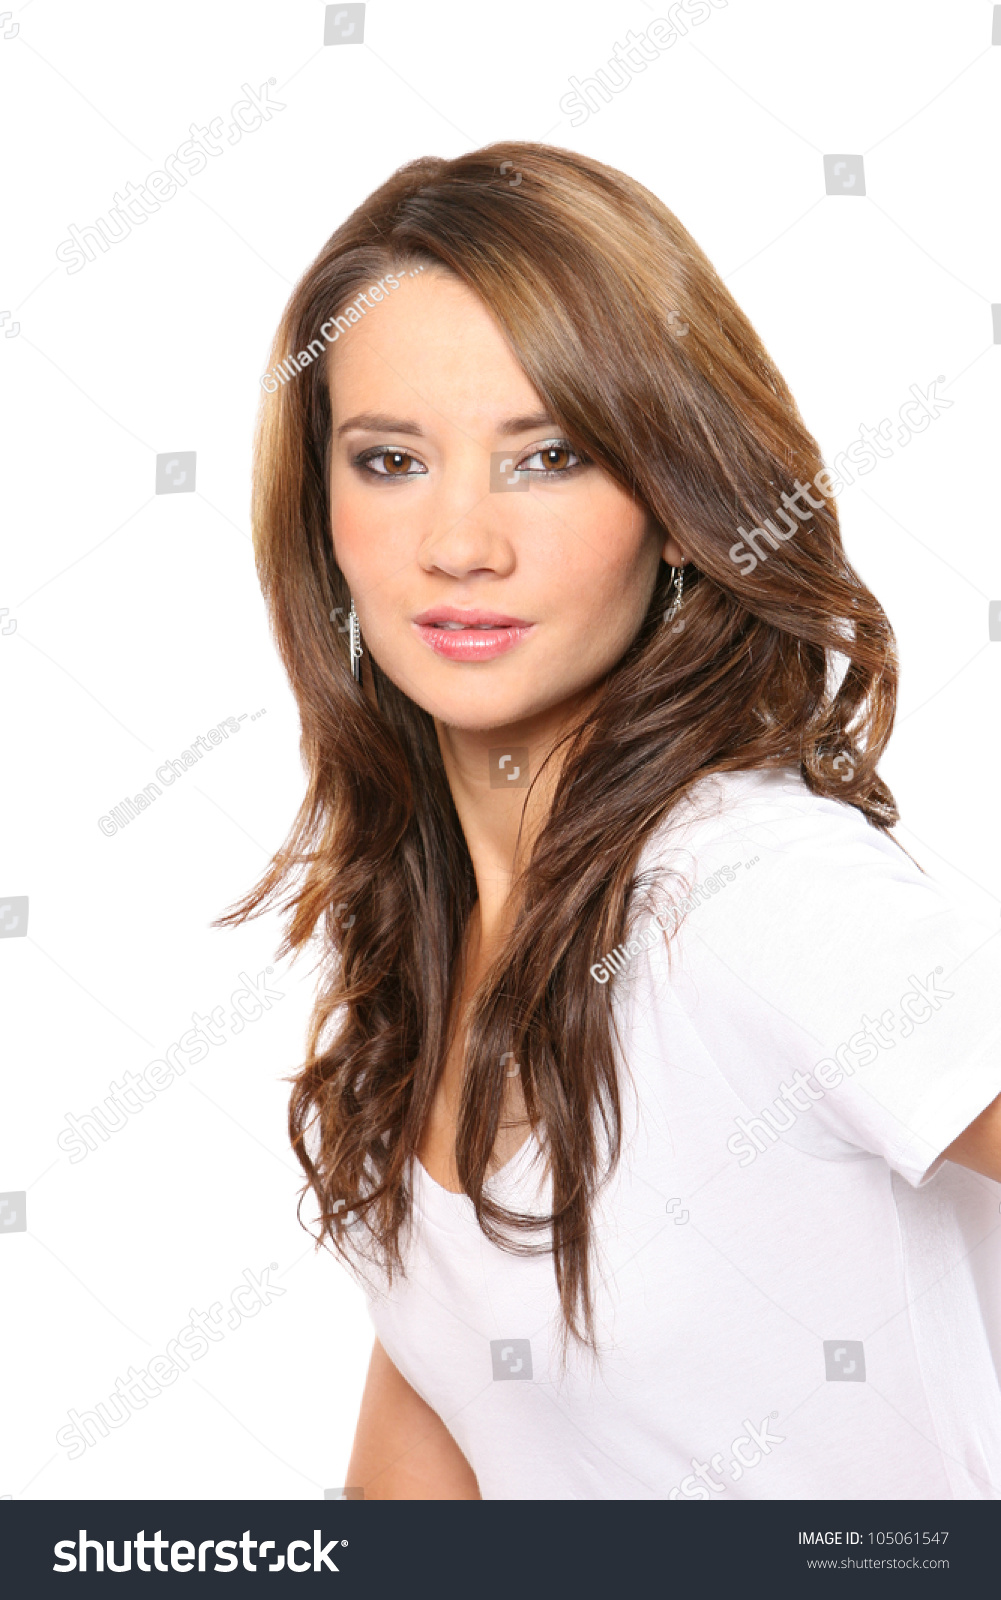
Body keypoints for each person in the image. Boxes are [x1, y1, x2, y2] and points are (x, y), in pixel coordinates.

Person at [217, 142, 1001, 1500]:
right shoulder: (426, 946)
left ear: (680, 502)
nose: (459, 543)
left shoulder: (756, 894)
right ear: (321, 511)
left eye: (549, 457)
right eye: (391, 460)